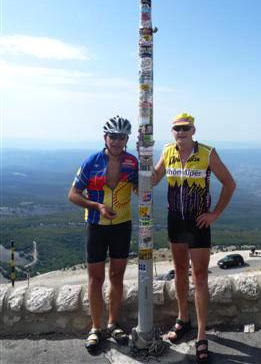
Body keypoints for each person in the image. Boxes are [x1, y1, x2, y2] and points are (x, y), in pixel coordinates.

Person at [152, 113, 236, 364]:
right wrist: (141, 165)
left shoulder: (208, 153)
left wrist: (215, 214)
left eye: (185, 128)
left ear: (193, 130)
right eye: (177, 128)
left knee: (199, 277)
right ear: (173, 132)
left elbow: (229, 183)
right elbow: (155, 179)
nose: (181, 132)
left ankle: (201, 334)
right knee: (179, 271)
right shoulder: (167, 152)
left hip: (199, 222)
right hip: (175, 220)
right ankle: (182, 319)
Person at [68, 116, 138, 353]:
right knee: (95, 279)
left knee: (117, 276)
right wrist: (96, 206)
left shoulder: (132, 162)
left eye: (121, 137)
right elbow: (73, 195)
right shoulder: (92, 162)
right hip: (96, 226)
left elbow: (143, 189)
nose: (117, 141)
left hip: (122, 225)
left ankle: (113, 323)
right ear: (105, 137)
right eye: (113, 136)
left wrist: (150, 170)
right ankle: (95, 328)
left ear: (127, 139)